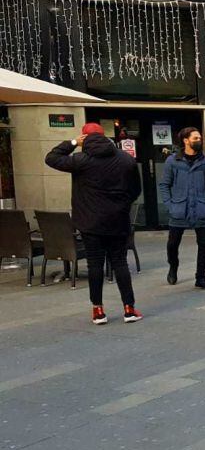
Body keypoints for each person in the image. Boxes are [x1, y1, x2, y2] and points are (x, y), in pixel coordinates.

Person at [45, 123, 143, 325]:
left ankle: (98, 310)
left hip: (90, 223)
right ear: (105, 137)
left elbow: (51, 158)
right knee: (120, 263)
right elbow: (135, 189)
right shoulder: (125, 159)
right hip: (118, 220)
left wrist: (72, 143)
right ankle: (129, 308)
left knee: (95, 265)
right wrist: (122, 205)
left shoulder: (80, 160)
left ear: (84, 138)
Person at [160, 127, 205, 290]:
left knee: (203, 245)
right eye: (195, 138)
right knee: (172, 244)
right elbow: (164, 185)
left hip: (202, 209)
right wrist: (170, 206)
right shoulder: (173, 161)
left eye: (199, 138)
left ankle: (200, 277)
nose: (199, 141)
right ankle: (173, 267)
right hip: (179, 210)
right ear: (185, 141)